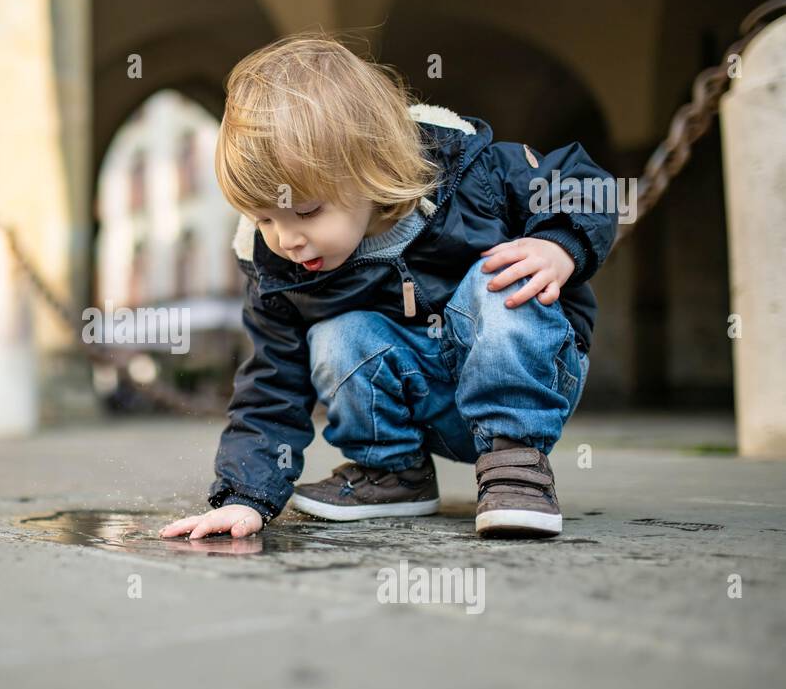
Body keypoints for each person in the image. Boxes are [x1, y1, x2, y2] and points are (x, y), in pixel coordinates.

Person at [159, 30, 619, 541]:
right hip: (428, 401)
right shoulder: (279, 270)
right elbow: (272, 382)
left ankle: (515, 466)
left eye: (307, 210)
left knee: (499, 275)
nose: (287, 238)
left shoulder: (470, 175)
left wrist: (560, 246)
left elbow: (583, 181)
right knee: (336, 332)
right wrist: (246, 497)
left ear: (371, 167)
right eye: (264, 219)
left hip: (530, 371)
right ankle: (393, 472)